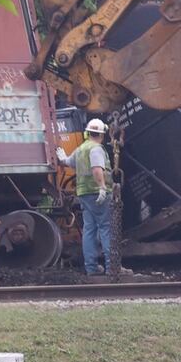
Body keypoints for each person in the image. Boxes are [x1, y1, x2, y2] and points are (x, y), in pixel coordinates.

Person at [65, 118, 119, 276]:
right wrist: (102, 187)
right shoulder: (96, 148)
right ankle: (112, 268)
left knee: (89, 229)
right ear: (102, 135)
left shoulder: (81, 148)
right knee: (106, 229)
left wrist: (61, 157)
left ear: (88, 133)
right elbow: (97, 169)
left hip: (83, 194)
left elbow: (68, 162)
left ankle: (92, 269)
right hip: (98, 193)